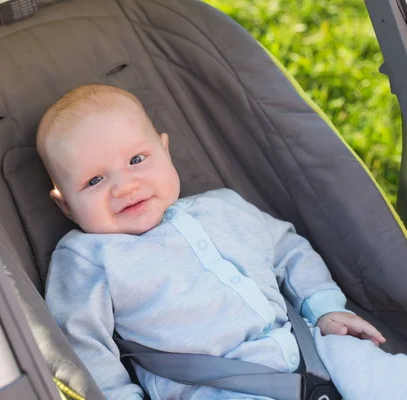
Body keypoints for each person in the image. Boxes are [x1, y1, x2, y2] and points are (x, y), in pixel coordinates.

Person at [37, 84, 406, 399]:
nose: (125, 186)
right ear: (66, 204)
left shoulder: (222, 206)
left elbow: (287, 249)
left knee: (388, 379)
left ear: (165, 150)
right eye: (94, 181)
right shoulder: (87, 256)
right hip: (211, 385)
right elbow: (80, 342)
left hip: (308, 346)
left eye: (136, 159)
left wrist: (323, 307)